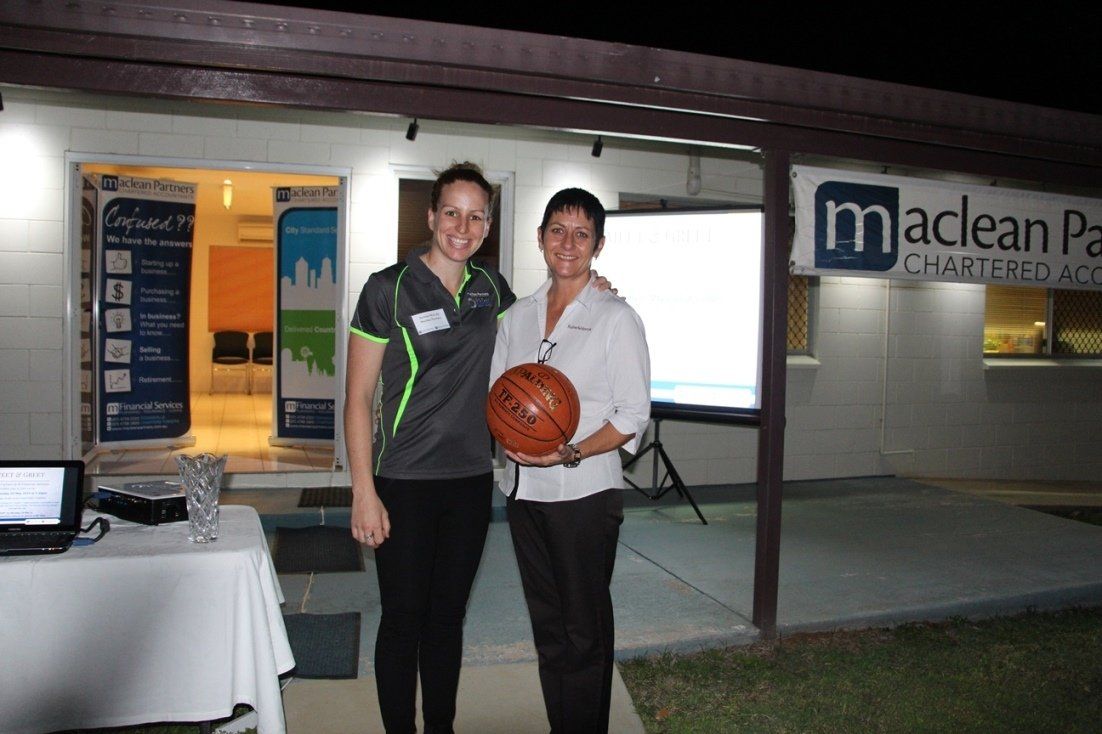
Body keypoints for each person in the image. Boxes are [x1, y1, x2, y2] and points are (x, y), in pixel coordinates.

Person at [344, 165, 612, 733]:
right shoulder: (387, 288)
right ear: (430, 216)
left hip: (469, 481)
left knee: (447, 620)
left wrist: (593, 288)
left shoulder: (491, 289)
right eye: (451, 213)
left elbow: (545, 317)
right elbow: (358, 398)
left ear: (488, 226)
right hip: (402, 480)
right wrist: (363, 491)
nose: (461, 227)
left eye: (475, 216)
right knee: (403, 620)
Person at [490, 188, 651, 734]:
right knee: (550, 631)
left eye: (582, 234)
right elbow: (499, 395)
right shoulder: (517, 316)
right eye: (557, 230)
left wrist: (573, 451)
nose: (568, 243)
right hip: (523, 495)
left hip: (584, 496)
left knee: (583, 633)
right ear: (540, 238)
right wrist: (509, 435)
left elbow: (633, 415)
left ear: (598, 245)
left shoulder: (615, 317)